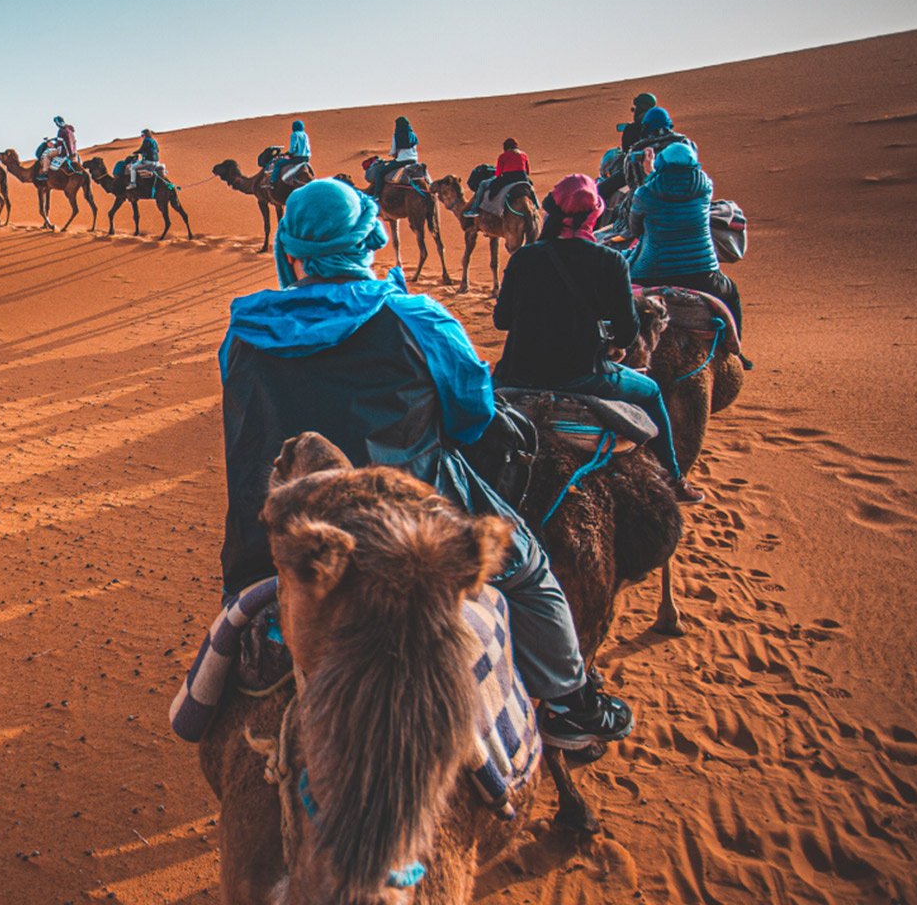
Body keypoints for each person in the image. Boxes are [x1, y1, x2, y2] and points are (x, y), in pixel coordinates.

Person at [218, 178, 635, 749]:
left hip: (271, 538)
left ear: (289, 250)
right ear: (372, 240)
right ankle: (571, 705)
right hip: (412, 532)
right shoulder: (419, 320)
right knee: (532, 573)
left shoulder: (243, 333)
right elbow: (472, 418)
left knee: (245, 607)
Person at [494, 175, 703, 503]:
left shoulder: (523, 258)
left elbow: (501, 320)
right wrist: (613, 344)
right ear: (595, 217)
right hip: (585, 377)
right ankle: (674, 479)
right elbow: (628, 333)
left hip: (517, 373)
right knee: (651, 393)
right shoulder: (611, 262)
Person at [625, 141, 744, 337]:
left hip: (651, 271)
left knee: (618, 292)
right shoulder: (705, 187)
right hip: (702, 273)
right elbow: (679, 187)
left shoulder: (645, 193)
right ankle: (736, 349)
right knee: (731, 293)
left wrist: (651, 172)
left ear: (662, 163)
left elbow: (635, 228)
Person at [469, 137, 531, 218]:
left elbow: (498, 173)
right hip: (522, 178)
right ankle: (536, 205)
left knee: (484, 184)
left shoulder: (503, 156)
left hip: (508, 178)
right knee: (531, 188)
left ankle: (475, 209)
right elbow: (528, 172)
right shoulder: (524, 155)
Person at [270, 119, 311, 188]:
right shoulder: (305, 135)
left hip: (297, 158)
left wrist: (290, 154)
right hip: (306, 158)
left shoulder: (294, 134)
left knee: (278, 164)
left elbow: (293, 147)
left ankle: (272, 182)